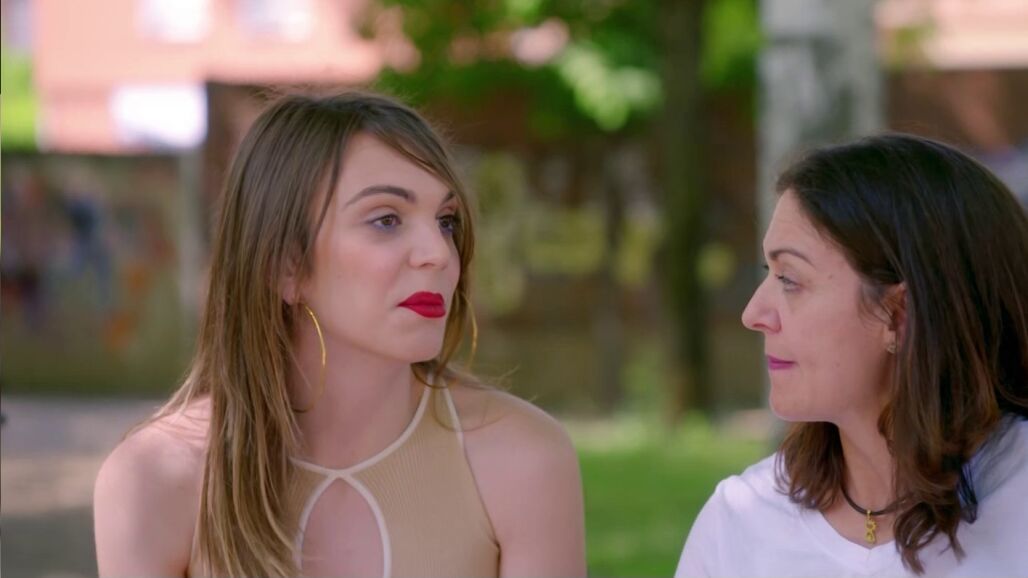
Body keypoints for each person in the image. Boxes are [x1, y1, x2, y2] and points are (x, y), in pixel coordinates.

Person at [94, 92, 586, 578]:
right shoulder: (154, 480)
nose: (438, 253)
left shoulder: (522, 460)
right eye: (387, 220)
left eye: (446, 222)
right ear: (285, 266)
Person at [676, 134, 1028, 577]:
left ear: (898, 313)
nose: (753, 314)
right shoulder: (740, 523)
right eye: (769, 272)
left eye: (790, 279)